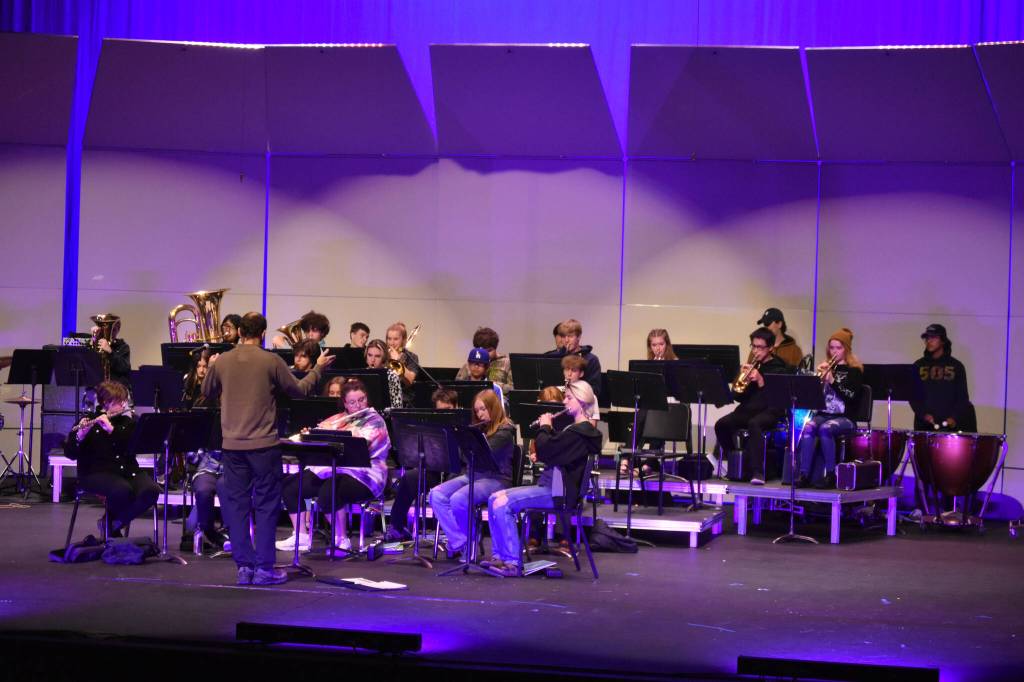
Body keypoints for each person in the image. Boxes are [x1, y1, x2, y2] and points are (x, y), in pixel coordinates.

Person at [201, 311, 333, 586]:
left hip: (232, 446)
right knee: (265, 506)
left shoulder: (223, 361)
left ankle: (244, 569)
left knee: (237, 507)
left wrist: (212, 365)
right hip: (263, 446)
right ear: (262, 334)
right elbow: (299, 390)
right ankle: (263, 569)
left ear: (239, 332)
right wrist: (318, 368)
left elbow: (206, 391)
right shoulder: (271, 360)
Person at [484, 380, 603, 577]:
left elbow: (547, 451)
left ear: (581, 402)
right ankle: (500, 556)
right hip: (552, 487)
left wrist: (545, 427)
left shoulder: (580, 433)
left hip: (558, 493)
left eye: (568, 398)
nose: (564, 402)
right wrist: (549, 432)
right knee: (493, 498)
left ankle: (512, 562)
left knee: (502, 503)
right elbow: (555, 450)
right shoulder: (576, 431)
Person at [277, 379, 391, 553]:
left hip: (366, 474)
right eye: (352, 402)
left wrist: (332, 435)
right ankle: (301, 535)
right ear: (345, 403)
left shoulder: (375, 420)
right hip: (333, 469)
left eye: (362, 400)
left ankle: (341, 539)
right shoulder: (338, 419)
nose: (358, 405)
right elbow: (321, 439)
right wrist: (310, 436)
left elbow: (359, 444)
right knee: (291, 485)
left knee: (328, 491)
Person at [64, 380, 160, 537]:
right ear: (105, 403)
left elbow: (130, 448)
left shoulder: (131, 423)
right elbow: (70, 454)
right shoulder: (89, 421)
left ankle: (112, 524)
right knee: (122, 490)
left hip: (127, 471)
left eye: (123, 401)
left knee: (152, 491)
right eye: (117, 402)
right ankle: (112, 531)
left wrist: (111, 429)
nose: (123, 405)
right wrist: (80, 436)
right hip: (95, 473)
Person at [428, 389, 515, 560]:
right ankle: (462, 541)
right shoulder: (479, 428)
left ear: (494, 408)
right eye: (477, 411)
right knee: (436, 494)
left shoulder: (505, 430)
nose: (480, 414)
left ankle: (470, 542)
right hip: (473, 474)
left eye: (483, 409)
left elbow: (484, 453)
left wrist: (471, 440)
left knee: (458, 499)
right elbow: (464, 457)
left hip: (496, 478)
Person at [714, 327, 791, 485]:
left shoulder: (779, 367)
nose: (756, 351)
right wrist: (740, 380)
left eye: (760, 347)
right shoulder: (751, 365)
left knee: (754, 424)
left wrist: (762, 381)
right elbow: (738, 397)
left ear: (770, 348)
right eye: (753, 346)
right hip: (748, 409)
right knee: (722, 424)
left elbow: (778, 398)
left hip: (770, 410)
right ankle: (735, 461)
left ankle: (758, 472)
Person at [383, 387, 460, 543]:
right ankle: (396, 527)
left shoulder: (466, 424)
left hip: (459, 474)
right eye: (440, 411)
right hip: (436, 471)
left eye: (448, 410)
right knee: (409, 478)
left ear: (456, 406)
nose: (444, 415)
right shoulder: (432, 425)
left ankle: (456, 538)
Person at [794, 328, 864, 489]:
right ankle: (804, 474)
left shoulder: (854, 371)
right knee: (809, 426)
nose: (834, 351)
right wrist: (816, 381)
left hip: (845, 417)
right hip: (824, 414)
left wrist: (832, 380)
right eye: (832, 348)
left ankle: (832, 474)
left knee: (825, 429)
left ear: (846, 349)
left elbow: (851, 396)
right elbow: (814, 398)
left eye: (838, 348)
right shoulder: (826, 368)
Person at [910, 324, 976, 432]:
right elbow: (912, 396)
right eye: (927, 338)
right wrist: (923, 414)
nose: (928, 341)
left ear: (943, 341)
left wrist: (954, 417)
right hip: (924, 426)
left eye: (933, 337)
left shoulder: (956, 366)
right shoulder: (918, 365)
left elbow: (963, 397)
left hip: (949, 426)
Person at [545, 319, 602, 400]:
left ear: (579, 337)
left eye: (570, 336)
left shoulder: (591, 359)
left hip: (580, 405)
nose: (566, 340)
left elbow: (595, 390)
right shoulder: (553, 357)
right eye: (564, 336)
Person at [455, 327, 513, 393]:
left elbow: (513, 389)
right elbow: (457, 386)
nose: (485, 355)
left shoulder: (507, 363)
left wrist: (492, 385)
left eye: (489, 351)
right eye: (482, 351)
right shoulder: (469, 365)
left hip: (497, 400)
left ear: (495, 348)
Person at [386, 322, 421, 405]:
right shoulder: (383, 355)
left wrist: (396, 362)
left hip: (404, 401)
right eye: (389, 339)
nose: (392, 343)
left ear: (403, 340)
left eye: (395, 339)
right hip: (386, 400)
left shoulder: (411, 357)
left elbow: (409, 380)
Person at [365, 338, 404, 409]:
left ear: (383, 358)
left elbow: (397, 405)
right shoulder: (363, 374)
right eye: (370, 355)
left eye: (377, 356)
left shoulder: (392, 375)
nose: (372, 360)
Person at [91, 321, 131, 387]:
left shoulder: (123, 346)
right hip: (99, 385)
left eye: (114, 330)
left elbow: (124, 368)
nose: (110, 333)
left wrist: (110, 352)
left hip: (117, 388)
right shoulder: (98, 344)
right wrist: (94, 338)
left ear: (118, 330)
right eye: (107, 330)